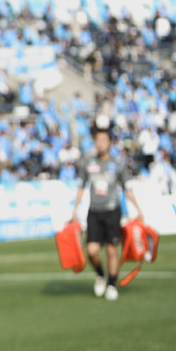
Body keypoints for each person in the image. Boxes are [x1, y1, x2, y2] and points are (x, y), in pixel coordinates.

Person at [71, 124, 144, 301]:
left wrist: (138, 209)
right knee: (92, 250)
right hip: (94, 212)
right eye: (98, 140)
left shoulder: (118, 164)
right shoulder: (88, 163)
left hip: (112, 211)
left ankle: (111, 284)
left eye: (104, 140)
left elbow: (127, 189)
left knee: (112, 250)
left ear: (110, 142)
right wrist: (74, 210)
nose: (100, 143)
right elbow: (80, 187)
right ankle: (100, 275)